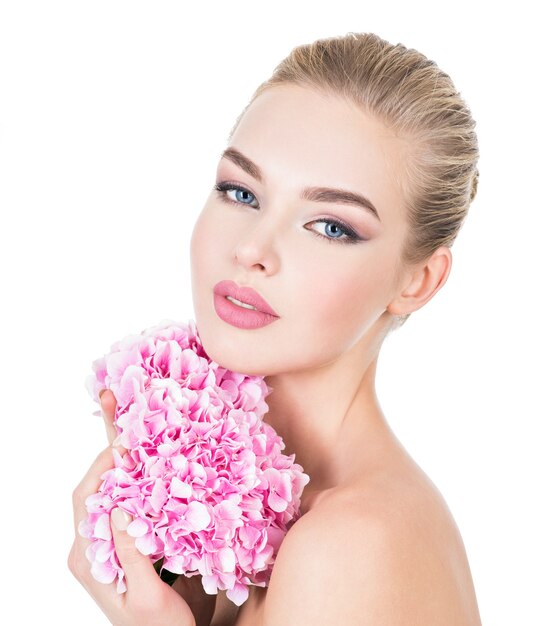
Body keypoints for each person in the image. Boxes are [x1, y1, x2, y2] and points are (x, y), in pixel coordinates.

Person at [69, 31, 482, 625]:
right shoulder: (258, 531)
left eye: (331, 227)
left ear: (416, 282)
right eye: (241, 192)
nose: (252, 248)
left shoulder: (349, 546)